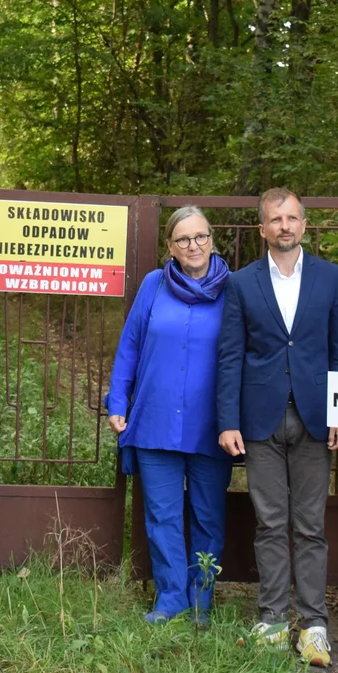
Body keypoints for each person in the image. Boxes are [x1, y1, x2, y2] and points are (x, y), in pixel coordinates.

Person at [216, 188, 338, 667]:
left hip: (316, 417)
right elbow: (231, 354)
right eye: (276, 219)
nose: (285, 226)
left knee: (310, 526)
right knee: (271, 522)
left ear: (304, 223)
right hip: (259, 420)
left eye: (292, 218)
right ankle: (273, 620)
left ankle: (315, 625)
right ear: (262, 228)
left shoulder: (332, 278)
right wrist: (227, 421)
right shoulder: (241, 283)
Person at [106, 206, 232, 626]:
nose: (193, 246)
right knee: (161, 515)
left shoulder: (235, 288)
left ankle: (202, 601)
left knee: (208, 515)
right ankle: (171, 598)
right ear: (170, 247)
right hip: (156, 418)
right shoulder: (153, 285)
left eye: (200, 237)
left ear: (212, 239)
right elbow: (130, 346)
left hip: (211, 424)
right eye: (183, 239)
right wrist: (117, 403)